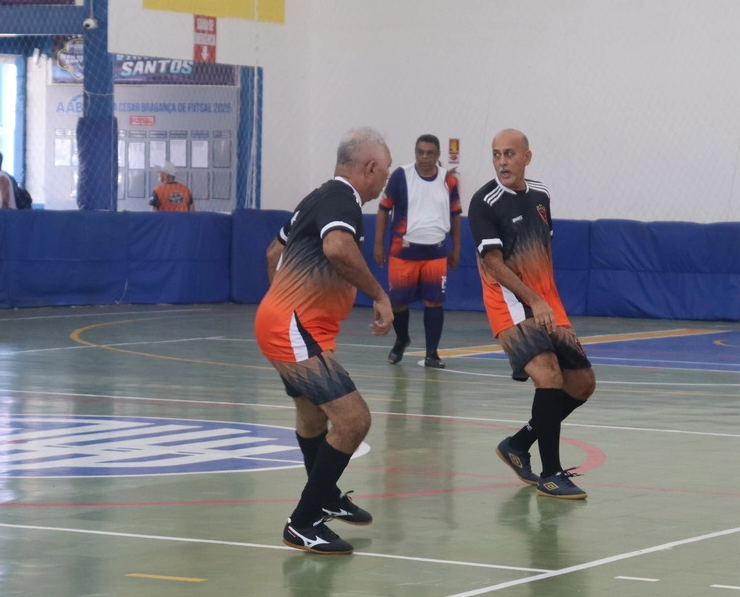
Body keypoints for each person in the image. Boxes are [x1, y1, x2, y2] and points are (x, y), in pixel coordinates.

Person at [255, 127, 394, 554]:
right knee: (353, 420)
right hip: (294, 328)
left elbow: (272, 254)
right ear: (369, 168)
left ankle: (326, 496)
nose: (383, 182)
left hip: (291, 325)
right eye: (384, 173)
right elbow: (337, 248)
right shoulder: (344, 199)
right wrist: (379, 294)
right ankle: (302, 521)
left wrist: (283, 299)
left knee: (313, 419)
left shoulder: (316, 197)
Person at [470, 128, 597, 500]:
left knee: (582, 384)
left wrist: (547, 302)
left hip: (546, 302)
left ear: (527, 156)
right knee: (550, 376)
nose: (502, 162)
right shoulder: (484, 203)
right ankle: (551, 473)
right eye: (496, 155)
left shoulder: (541, 194)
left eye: (509, 154)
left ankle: (519, 444)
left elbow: (543, 251)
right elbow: (493, 264)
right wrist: (533, 301)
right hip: (509, 304)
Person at [373, 134, 463, 368]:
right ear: (415, 153)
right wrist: (378, 243)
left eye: (430, 153)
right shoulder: (401, 177)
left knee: (434, 303)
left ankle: (432, 353)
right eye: (420, 152)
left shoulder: (448, 181)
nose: (424, 157)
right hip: (403, 251)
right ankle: (402, 339)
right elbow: (383, 209)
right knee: (398, 304)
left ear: (438, 155)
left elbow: (455, 215)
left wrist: (456, 248)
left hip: (436, 252)